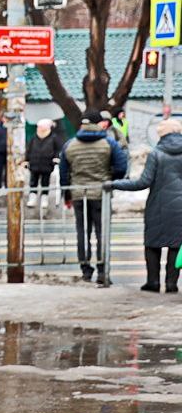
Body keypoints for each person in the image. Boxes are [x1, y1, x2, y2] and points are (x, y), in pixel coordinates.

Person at [108, 119, 182, 293]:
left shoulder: (156, 153)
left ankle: (153, 282)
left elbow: (143, 182)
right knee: (176, 244)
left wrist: (115, 184)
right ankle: (172, 284)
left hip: (158, 205)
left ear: (161, 134)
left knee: (152, 244)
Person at [60, 109, 128, 284]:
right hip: (101, 194)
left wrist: (67, 194)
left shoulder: (70, 145)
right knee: (101, 233)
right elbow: (121, 167)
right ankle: (102, 271)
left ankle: (85, 270)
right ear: (98, 124)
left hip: (78, 194)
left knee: (82, 232)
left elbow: (63, 174)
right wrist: (109, 178)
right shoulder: (109, 143)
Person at [25, 119, 62, 208]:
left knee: (45, 182)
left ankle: (44, 199)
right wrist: (26, 160)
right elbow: (29, 149)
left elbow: (58, 149)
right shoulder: (34, 137)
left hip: (47, 164)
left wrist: (55, 158)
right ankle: (32, 198)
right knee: (33, 182)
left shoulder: (53, 137)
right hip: (34, 164)